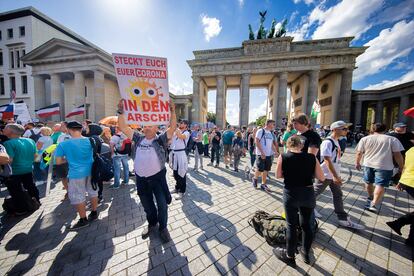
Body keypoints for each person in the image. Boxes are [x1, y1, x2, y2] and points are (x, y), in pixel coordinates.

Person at [117, 100, 176, 243]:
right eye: (145, 126)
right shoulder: (138, 138)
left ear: (157, 127)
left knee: (162, 205)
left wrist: (172, 111)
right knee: (147, 206)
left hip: (158, 180)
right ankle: (152, 223)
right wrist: (121, 111)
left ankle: (163, 228)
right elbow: (123, 126)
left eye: (151, 125)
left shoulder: (160, 139)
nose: (148, 128)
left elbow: (173, 127)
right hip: (141, 180)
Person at [274, 136, 325, 266]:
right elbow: (321, 177)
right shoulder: (311, 157)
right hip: (307, 194)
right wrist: (308, 173)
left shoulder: (283, 156)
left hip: (291, 193)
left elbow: (278, 175)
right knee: (307, 225)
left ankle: (290, 255)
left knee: (291, 225)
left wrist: (291, 174)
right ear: (301, 145)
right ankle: (306, 254)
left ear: (288, 145)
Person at [313, 121, 364, 230]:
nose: (347, 130)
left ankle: (343, 219)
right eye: (344, 129)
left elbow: (335, 160)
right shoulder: (328, 142)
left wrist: (337, 174)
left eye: (346, 129)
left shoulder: (336, 141)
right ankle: (305, 208)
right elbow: (327, 160)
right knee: (315, 192)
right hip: (326, 174)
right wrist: (335, 176)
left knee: (338, 195)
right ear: (335, 129)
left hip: (332, 174)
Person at [55, 121, 98, 230]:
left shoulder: (63, 144)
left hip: (76, 173)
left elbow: (58, 162)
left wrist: (68, 158)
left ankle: (83, 219)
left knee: (78, 195)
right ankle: (94, 212)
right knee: (93, 191)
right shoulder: (90, 140)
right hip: (91, 170)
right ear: (80, 129)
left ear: (69, 130)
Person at [355, 123, 404, 213]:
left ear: (373, 129)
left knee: (368, 181)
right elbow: (398, 155)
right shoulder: (392, 139)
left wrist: (357, 162)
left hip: (368, 164)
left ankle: (370, 197)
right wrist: (401, 167)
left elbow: (359, 152)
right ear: (385, 130)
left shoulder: (365, 139)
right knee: (380, 185)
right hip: (385, 166)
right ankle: (373, 204)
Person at [3, 123, 39, 214]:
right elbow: (35, 156)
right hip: (28, 168)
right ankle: (36, 202)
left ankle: (21, 209)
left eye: (5, 128)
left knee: (16, 191)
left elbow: (9, 160)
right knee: (31, 186)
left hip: (14, 172)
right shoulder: (30, 141)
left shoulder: (8, 143)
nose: (3, 129)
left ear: (11, 132)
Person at [386, 147, 414, 247]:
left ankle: (411, 239)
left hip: (407, 181)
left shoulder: (411, 150)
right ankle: (399, 223)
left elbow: (406, 166)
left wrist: (401, 180)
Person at [252, 120, 279, 192]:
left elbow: (272, 144)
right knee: (260, 169)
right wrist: (262, 152)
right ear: (269, 124)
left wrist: (275, 151)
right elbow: (256, 141)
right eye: (273, 124)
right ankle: (255, 178)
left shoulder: (270, 133)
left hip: (268, 154)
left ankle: (263, 184)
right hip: (261, 154)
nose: (274, 126)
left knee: (266, 169)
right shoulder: (260, 131)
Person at [170, 119, 190, 199]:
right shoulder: (176, 132)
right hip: (175, 153)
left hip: (181, 154)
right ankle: (177, 188)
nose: (180, 124)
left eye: (181, 123)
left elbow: (181, 136)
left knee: (182, 173)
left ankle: (182, 191)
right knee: (175, 173)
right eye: (180, 123)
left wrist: (175, 127)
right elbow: (171, 138)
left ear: (185, 125)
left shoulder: (187, 133)